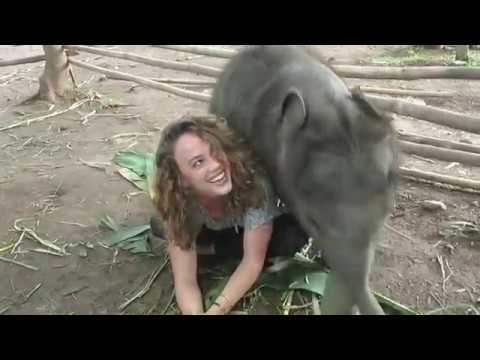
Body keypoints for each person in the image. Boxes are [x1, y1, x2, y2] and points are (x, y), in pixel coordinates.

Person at [150, 115, 309, 315]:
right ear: (181, 179)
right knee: (159, 226)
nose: (215, 165)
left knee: (291, 238)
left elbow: (251, 263)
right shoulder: (180, 201)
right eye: (198, 163)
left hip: (251, 225)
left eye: (215, 153)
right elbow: (185, 281)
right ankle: (200, 248)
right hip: (213, 224)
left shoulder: (253, 183)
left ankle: (208, 250)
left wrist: (215, 312)